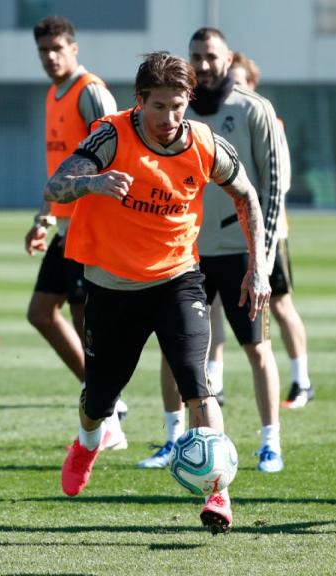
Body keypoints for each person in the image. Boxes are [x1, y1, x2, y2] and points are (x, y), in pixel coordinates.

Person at [46, 51, 270, 534]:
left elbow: (246, 194)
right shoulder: (111, 134)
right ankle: (87, 443)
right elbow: (56, 184)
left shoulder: (205, 143)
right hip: (112, 286)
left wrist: (260, 267)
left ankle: (218, 493)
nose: (170, 119)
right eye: (159, 107)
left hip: (178, 278)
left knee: (198, 382)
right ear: (139, 101)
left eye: (178, 106)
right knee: (100, 396)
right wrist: (95, 182)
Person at [137, 29, 287, 473]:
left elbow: (273, 186)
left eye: (211, 56)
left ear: (228, 58)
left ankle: (270, 443)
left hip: (240, 251)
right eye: (196, 57)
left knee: (256, 347)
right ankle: (171, 439)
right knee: (172, 349)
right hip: (185, 254)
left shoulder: (253, 108)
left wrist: (263, 254)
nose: (203, 65)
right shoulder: (171, 116)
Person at [23, 16, 127, 450]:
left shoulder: (91, 93)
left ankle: (109, 421)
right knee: (41, 313)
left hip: (90, 228)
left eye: (57, 48)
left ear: (74, 47)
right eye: (43, 49)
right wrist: (45, 216)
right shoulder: (53, 94)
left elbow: (115, 152)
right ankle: (109, 407)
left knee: (90, 326)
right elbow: (61, 170)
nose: (50, 56)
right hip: (65, 227)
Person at [227, 51, 313, 409]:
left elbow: (279, 181)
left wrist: (266, 230)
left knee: (279, 305)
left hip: (267, 233)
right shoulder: (220, 116)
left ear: (251, 84)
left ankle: (301, 380)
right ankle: (211, 383)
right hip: (224, 233)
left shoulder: (266, 120)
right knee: (213, 305)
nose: (232, 88)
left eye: (238, 81)